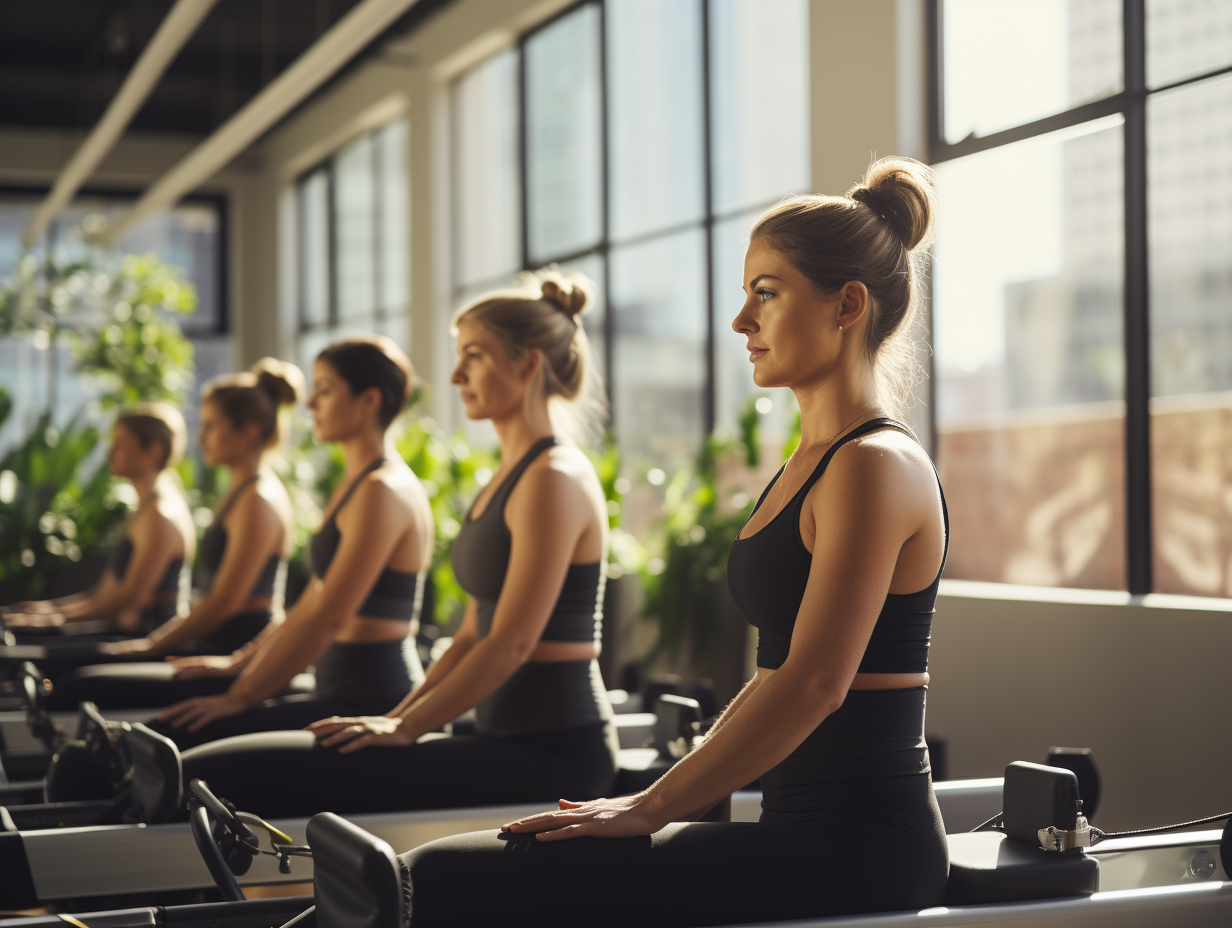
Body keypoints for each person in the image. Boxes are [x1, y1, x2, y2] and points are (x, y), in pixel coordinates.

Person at [397, 157, 951, 927]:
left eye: (766, 293)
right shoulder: (808, 463)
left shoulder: (874, 465)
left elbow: (816, 683)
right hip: (795, 829)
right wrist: (680, 798)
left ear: (846, 305)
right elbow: (775, 673)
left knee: (443, 882)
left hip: (863, 847)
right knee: (432, 879)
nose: (740, 322)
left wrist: (651, 808)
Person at [177, 270, 618, 818]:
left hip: (554, 755)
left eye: (474, 356)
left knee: (214, 776)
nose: (456, 374)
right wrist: (398, 717)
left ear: (527, 364)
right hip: (499, 738)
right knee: (206, 772)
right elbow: (472, 634)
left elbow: (512, 644)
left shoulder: (555, 476)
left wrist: (406, 726)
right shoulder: (508, 477)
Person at [148, 335, 432, 749]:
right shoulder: (356, 483)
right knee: (170, 734)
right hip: (335, 690)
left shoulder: (382, 490)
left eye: (325, 391)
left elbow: (330, 617)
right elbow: (312, 602)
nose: (310, 405)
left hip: (372, 700)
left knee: (181, 742)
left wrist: (240, 698)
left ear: (369, 400)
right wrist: (240, 664)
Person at [41, 359, 303, 710]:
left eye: (211, 426)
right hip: (210, 643)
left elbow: (227, 600)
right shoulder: (239, 494)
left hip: (234, 649)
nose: (200, 438)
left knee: (76, 684)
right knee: (63, 672)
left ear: (249, 431)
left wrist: (154, 644)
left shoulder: (259, 499)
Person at [3, 404, 194, 639]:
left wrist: (49, 620)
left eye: (120, 444)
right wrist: (47, 610)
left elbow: (124, 600)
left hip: (146, 639)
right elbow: (105, 595)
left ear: (153, 450)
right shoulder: (146, 508)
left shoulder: (160, 515)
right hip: (125, 632)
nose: (109, 453)